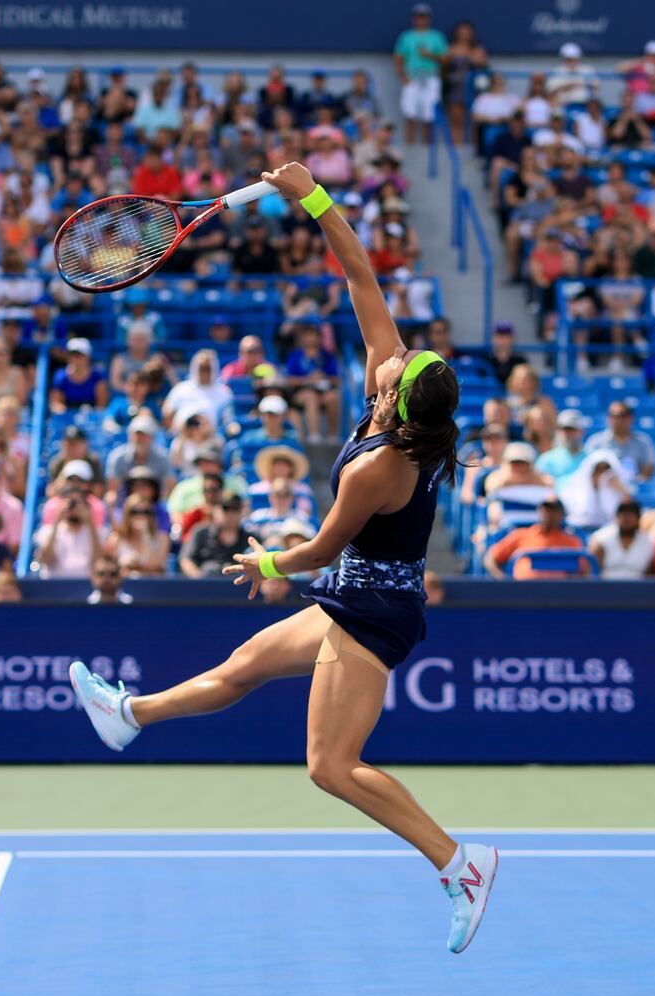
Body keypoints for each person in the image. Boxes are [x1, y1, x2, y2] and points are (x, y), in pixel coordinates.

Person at [67, 161, 497, 953]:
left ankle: (458, 860)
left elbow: (326, 544)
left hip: (373, 612)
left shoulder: (381, 465)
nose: (397, 352)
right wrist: (314, 200)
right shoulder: (393, 394)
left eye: (408, 362)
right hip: (356, 597)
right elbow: (362, 275)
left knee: (331, 767)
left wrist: (268, 565)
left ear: (401, 398)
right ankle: (127, 716)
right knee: (242, 667)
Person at [483, 494, 589, 578]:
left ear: (561, 514)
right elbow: (491, 558)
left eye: (553, 510)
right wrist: (503, 581)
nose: (548, 514)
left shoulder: (572, 541)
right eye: (545, 509)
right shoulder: (520, 535)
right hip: (523, 595)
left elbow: (585, 571)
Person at [393, 4, 448, 146]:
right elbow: (398, 57)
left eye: (424, 17)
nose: (421, 20)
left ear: (428, 19)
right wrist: (402, 77)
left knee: (429, 114)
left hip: (430, 77)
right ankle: (410, 145)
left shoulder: (436, 36)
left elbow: (445, 59)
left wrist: (429, 55)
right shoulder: (406, 37)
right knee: (410, 112)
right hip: (412, 77)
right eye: (418, 16)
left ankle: (426, 147)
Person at [588, 499, 655, 579]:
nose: (626, 518)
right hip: (606, 588)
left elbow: (650, 575)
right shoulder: (600, 539)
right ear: (616, 517)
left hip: (638, 589)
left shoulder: (649, 543)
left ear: (638, 518)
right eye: (622, 514)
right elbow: (591, 573)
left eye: (631, 514)